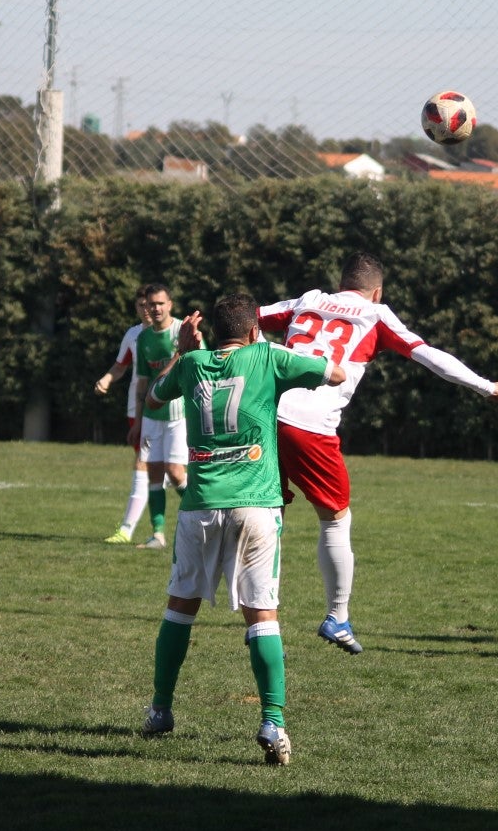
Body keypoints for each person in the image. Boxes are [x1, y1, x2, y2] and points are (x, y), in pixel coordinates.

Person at [257, 252, 498, 653]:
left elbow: (246, 318)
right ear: (377, 291)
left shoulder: (307, 299)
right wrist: (485, 385)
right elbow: (428, 355)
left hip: (264, 415)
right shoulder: (376, 313)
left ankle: (260, 611)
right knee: (335, 519)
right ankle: (337, 617)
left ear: (340, 282)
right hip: (309, 427)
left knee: (267, 513)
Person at [140, 293, 346, 765]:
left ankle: (160, 709)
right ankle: (273, 722)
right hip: (256, 506)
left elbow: (154, 396)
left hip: (201, 506)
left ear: (210, 332)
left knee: (179, 608)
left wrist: (182, 350)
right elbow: (334, 374)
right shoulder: (268, 355)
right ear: (255, 329)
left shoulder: (191, 363)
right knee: (262, 614)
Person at [126, 283, 193, 550]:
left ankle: (203, 514)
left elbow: (199, 365)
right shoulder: (143, 339)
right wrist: (138, 421)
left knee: (176, 473)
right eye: (150, 304)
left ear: (170, 305)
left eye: (160, 303)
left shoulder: (182, 332)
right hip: (152, 416)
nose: (154, 308)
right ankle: (158, 534)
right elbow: (142, 383)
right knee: (153, 471)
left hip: (179, 414)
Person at [94, 287, 154, 544]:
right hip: (136, 407)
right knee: (147, 465)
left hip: (166, 408)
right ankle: (133, 530)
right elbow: (121, 366)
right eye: (141, 304)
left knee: (153, 466)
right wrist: (106, 379)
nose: (146, 309)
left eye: (150, 304)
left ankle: (128, 530)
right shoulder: (133, 335)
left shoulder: (173, 333)